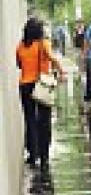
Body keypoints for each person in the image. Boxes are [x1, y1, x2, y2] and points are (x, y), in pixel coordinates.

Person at [16, 18, 65, 170]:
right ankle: (44, 157)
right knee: (44, 121)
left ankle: (32, 155)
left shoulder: (20, 46)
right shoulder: (43, 44)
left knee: (30, 120)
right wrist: (61, 72)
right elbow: (52, 58)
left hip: (25, 86)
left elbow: (18, 64)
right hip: (41, 85)